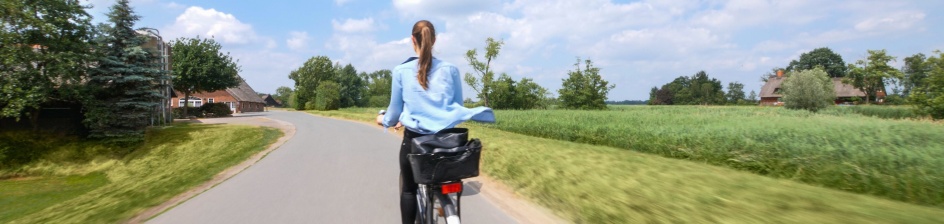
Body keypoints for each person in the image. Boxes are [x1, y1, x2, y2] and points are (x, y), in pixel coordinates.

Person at [375, 20, 495, 224]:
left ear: (412, 40)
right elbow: (455, 107)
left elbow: (394, 114)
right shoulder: (451, 70)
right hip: (449, 144)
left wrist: (383, 120)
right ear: (434, 40)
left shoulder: (401, 71)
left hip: (416, 143)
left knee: (409, 190)